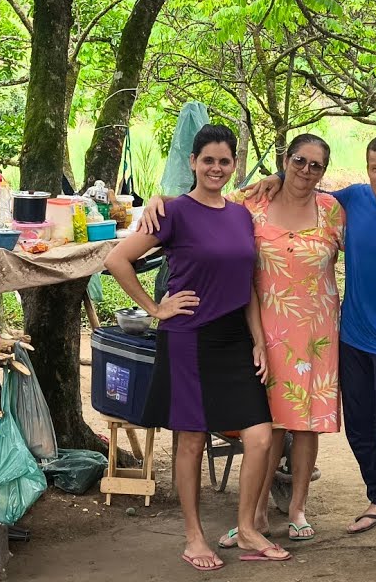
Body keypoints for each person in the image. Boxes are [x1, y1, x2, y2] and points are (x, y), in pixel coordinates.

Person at [251, 132, 376, 565]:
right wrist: (273, 177)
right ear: (367, 169)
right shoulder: (354, 200)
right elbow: (304, 189)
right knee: (358, 422)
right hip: (351, 336)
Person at [139, 133, 345, 546]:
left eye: (315, 165)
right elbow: (203, 202)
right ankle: (255, 516)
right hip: (261, 324)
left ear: (324, 171)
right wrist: (157, 200)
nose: (306, 170)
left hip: (316, 327)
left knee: (305, 423)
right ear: (285, 159)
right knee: (267, 421)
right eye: (298, 161)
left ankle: (297, 507)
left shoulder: (332, 209)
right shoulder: (253, 201)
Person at [104, 124, 289, 571]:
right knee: (190, 439)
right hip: (188, 336)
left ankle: (247, 527)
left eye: (224, 161)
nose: (216, 168)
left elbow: (247, 283)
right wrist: (155, 307)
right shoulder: (173, 212)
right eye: (208, 160)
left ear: (232, 166)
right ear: (192, 162)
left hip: (233, 338)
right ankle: (193, 536)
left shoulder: (240, 214)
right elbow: (116, 260)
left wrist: (259, 340)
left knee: (261, 436)